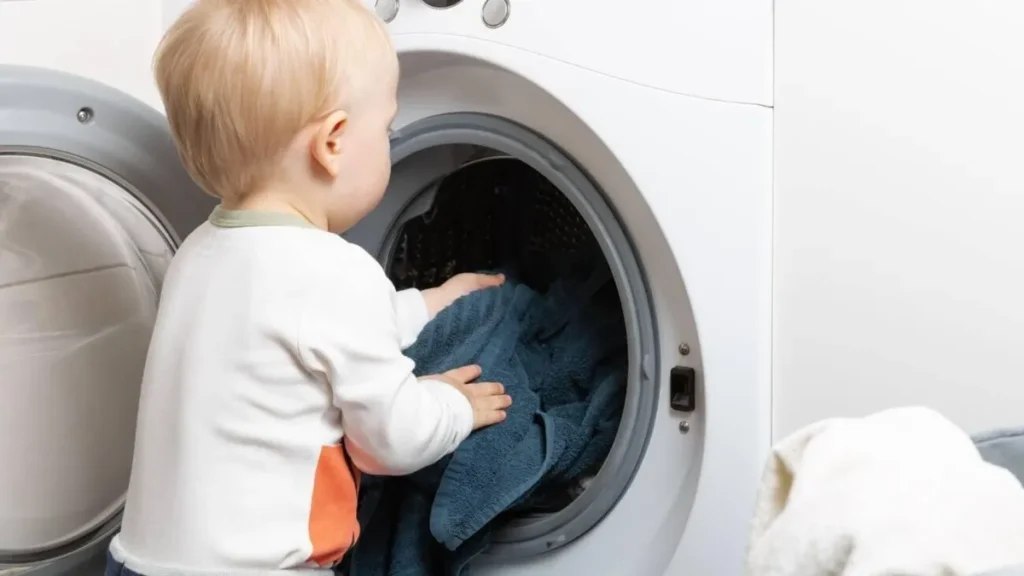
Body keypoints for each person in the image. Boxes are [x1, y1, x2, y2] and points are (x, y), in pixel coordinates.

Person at [106, 1, 511, 573]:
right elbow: (390, 442)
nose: (391, 141)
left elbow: (300, 340)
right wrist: (452, 406)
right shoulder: (336, 272)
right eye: (388, 129)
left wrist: (427, 304)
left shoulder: (200, 252)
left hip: (138, 562)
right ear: (334, 142)